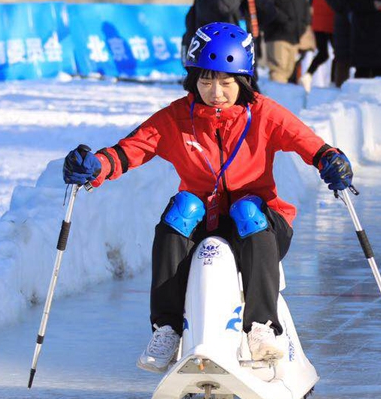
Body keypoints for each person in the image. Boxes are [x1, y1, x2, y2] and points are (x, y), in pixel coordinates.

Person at [61, 24, 354, 372]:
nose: (215, 92)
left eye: (226, 82)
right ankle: (167, 329)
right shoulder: (176, 118)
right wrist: (94, 165)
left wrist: (330, 160)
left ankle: (262, 327)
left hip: (262, 226)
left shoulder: (262, 113)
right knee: (183, 207)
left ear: (243, 80)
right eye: (205, 81)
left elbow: (309, 143)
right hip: (205, 224)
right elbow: (128, 151)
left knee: (247, 209)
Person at [261, 0, 311, 83]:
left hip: (295, 35)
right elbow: (268, 6)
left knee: (288, 71)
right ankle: (276, 100)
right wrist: (285, 21)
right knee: (279, 71)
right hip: (278, 35)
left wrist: (304, 23)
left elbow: (305, 5)